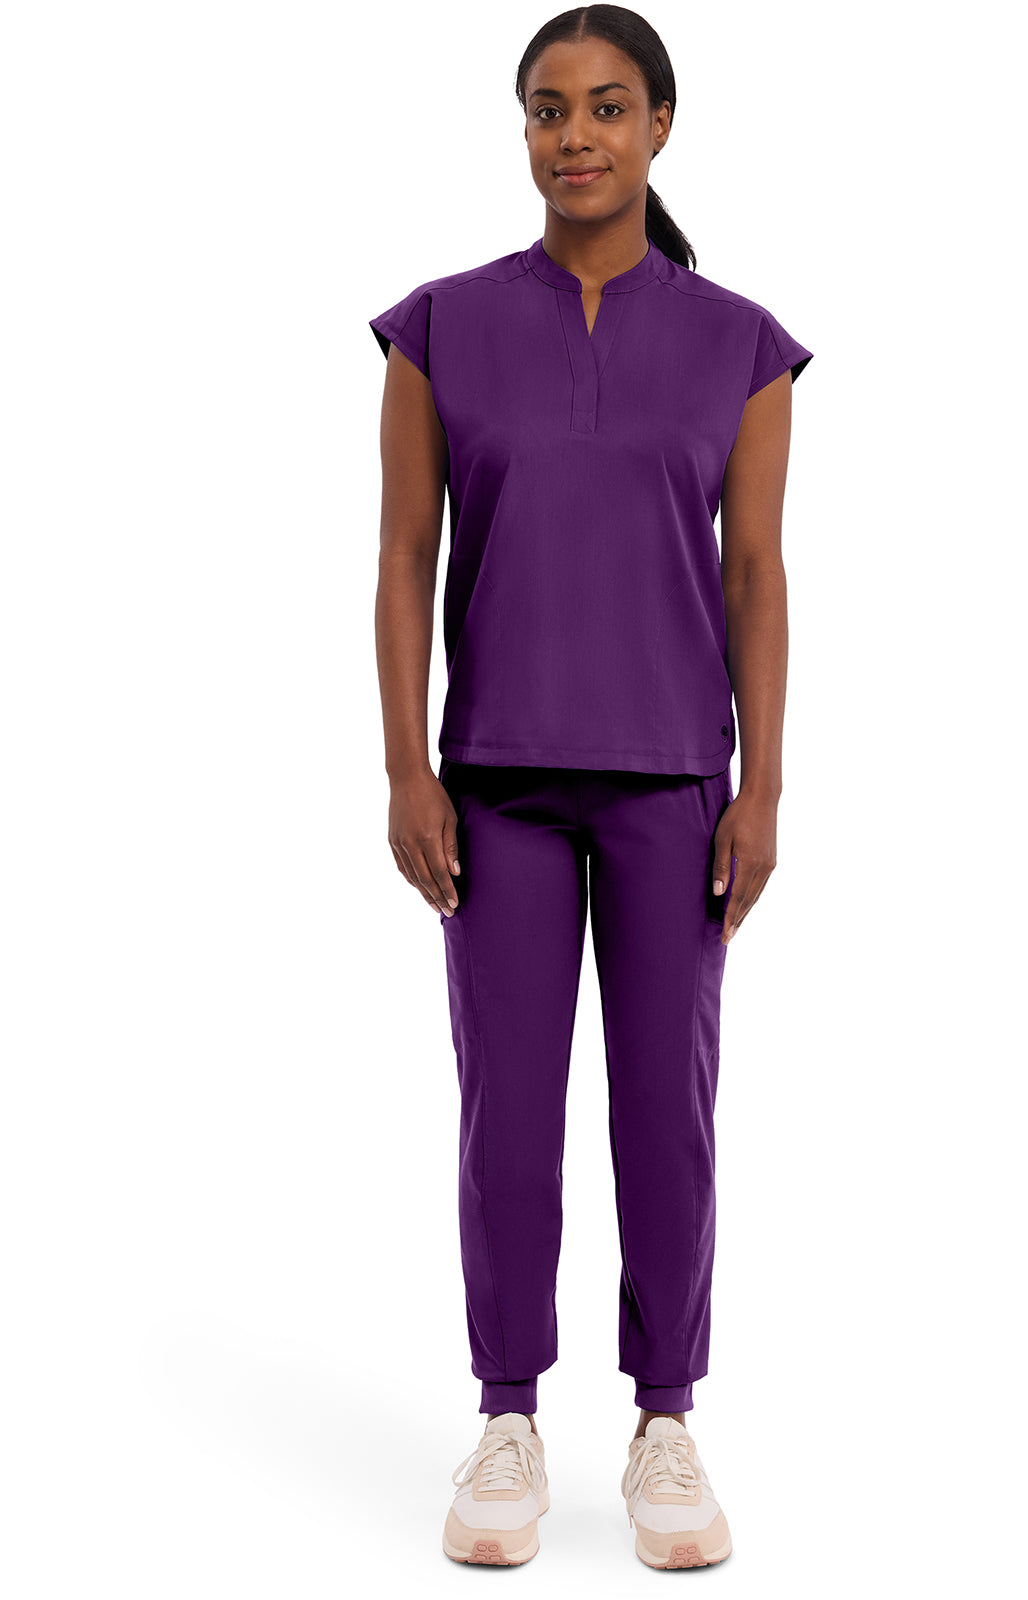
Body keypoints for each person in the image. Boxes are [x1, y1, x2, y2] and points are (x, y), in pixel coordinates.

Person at [368, 4, 812, 1572]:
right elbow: (402, 559)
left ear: (660, 127)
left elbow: (755, 573)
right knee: (507, 1119)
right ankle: (506, 1415)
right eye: (549, 109)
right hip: (494, 784)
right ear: (526, 133)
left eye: (609, 106)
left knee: (666, 1121)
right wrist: (406, 764)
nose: (577, 136)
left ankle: (666, 1419)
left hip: (673, 784)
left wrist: (762, 789)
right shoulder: (438, 329)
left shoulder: (743, 346)